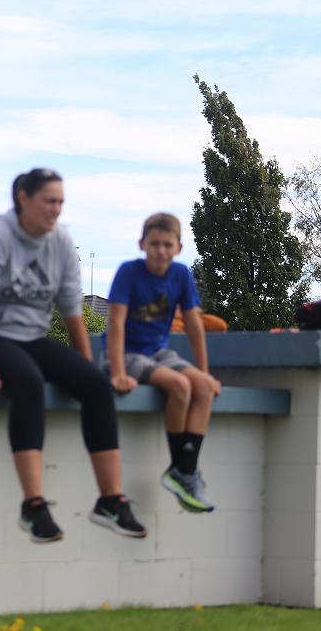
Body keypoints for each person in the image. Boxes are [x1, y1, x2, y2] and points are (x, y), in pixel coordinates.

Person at [0, 168, 146, 543]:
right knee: (28, 381)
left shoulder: (61, 243)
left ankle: (110, 500)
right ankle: (33, 506)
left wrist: (85, 368)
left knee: (96, 386)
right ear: (23, 198)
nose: (56, 209)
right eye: (48, 201)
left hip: (28, 340)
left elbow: (73, 312)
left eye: (60, 202)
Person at [103, 212, 222, 513]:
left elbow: (194, 325)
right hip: (126, 353)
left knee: (203, 388)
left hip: (158, 352)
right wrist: (117, 372)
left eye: (168, 245)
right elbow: (115, 323)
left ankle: (185, 469)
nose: (161, 251)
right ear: (142, 244)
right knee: (180, 385)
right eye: (155, 244)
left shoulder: (180, 274)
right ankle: (180, 470)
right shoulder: (129, 272)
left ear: (178, 248)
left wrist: (205, 372)